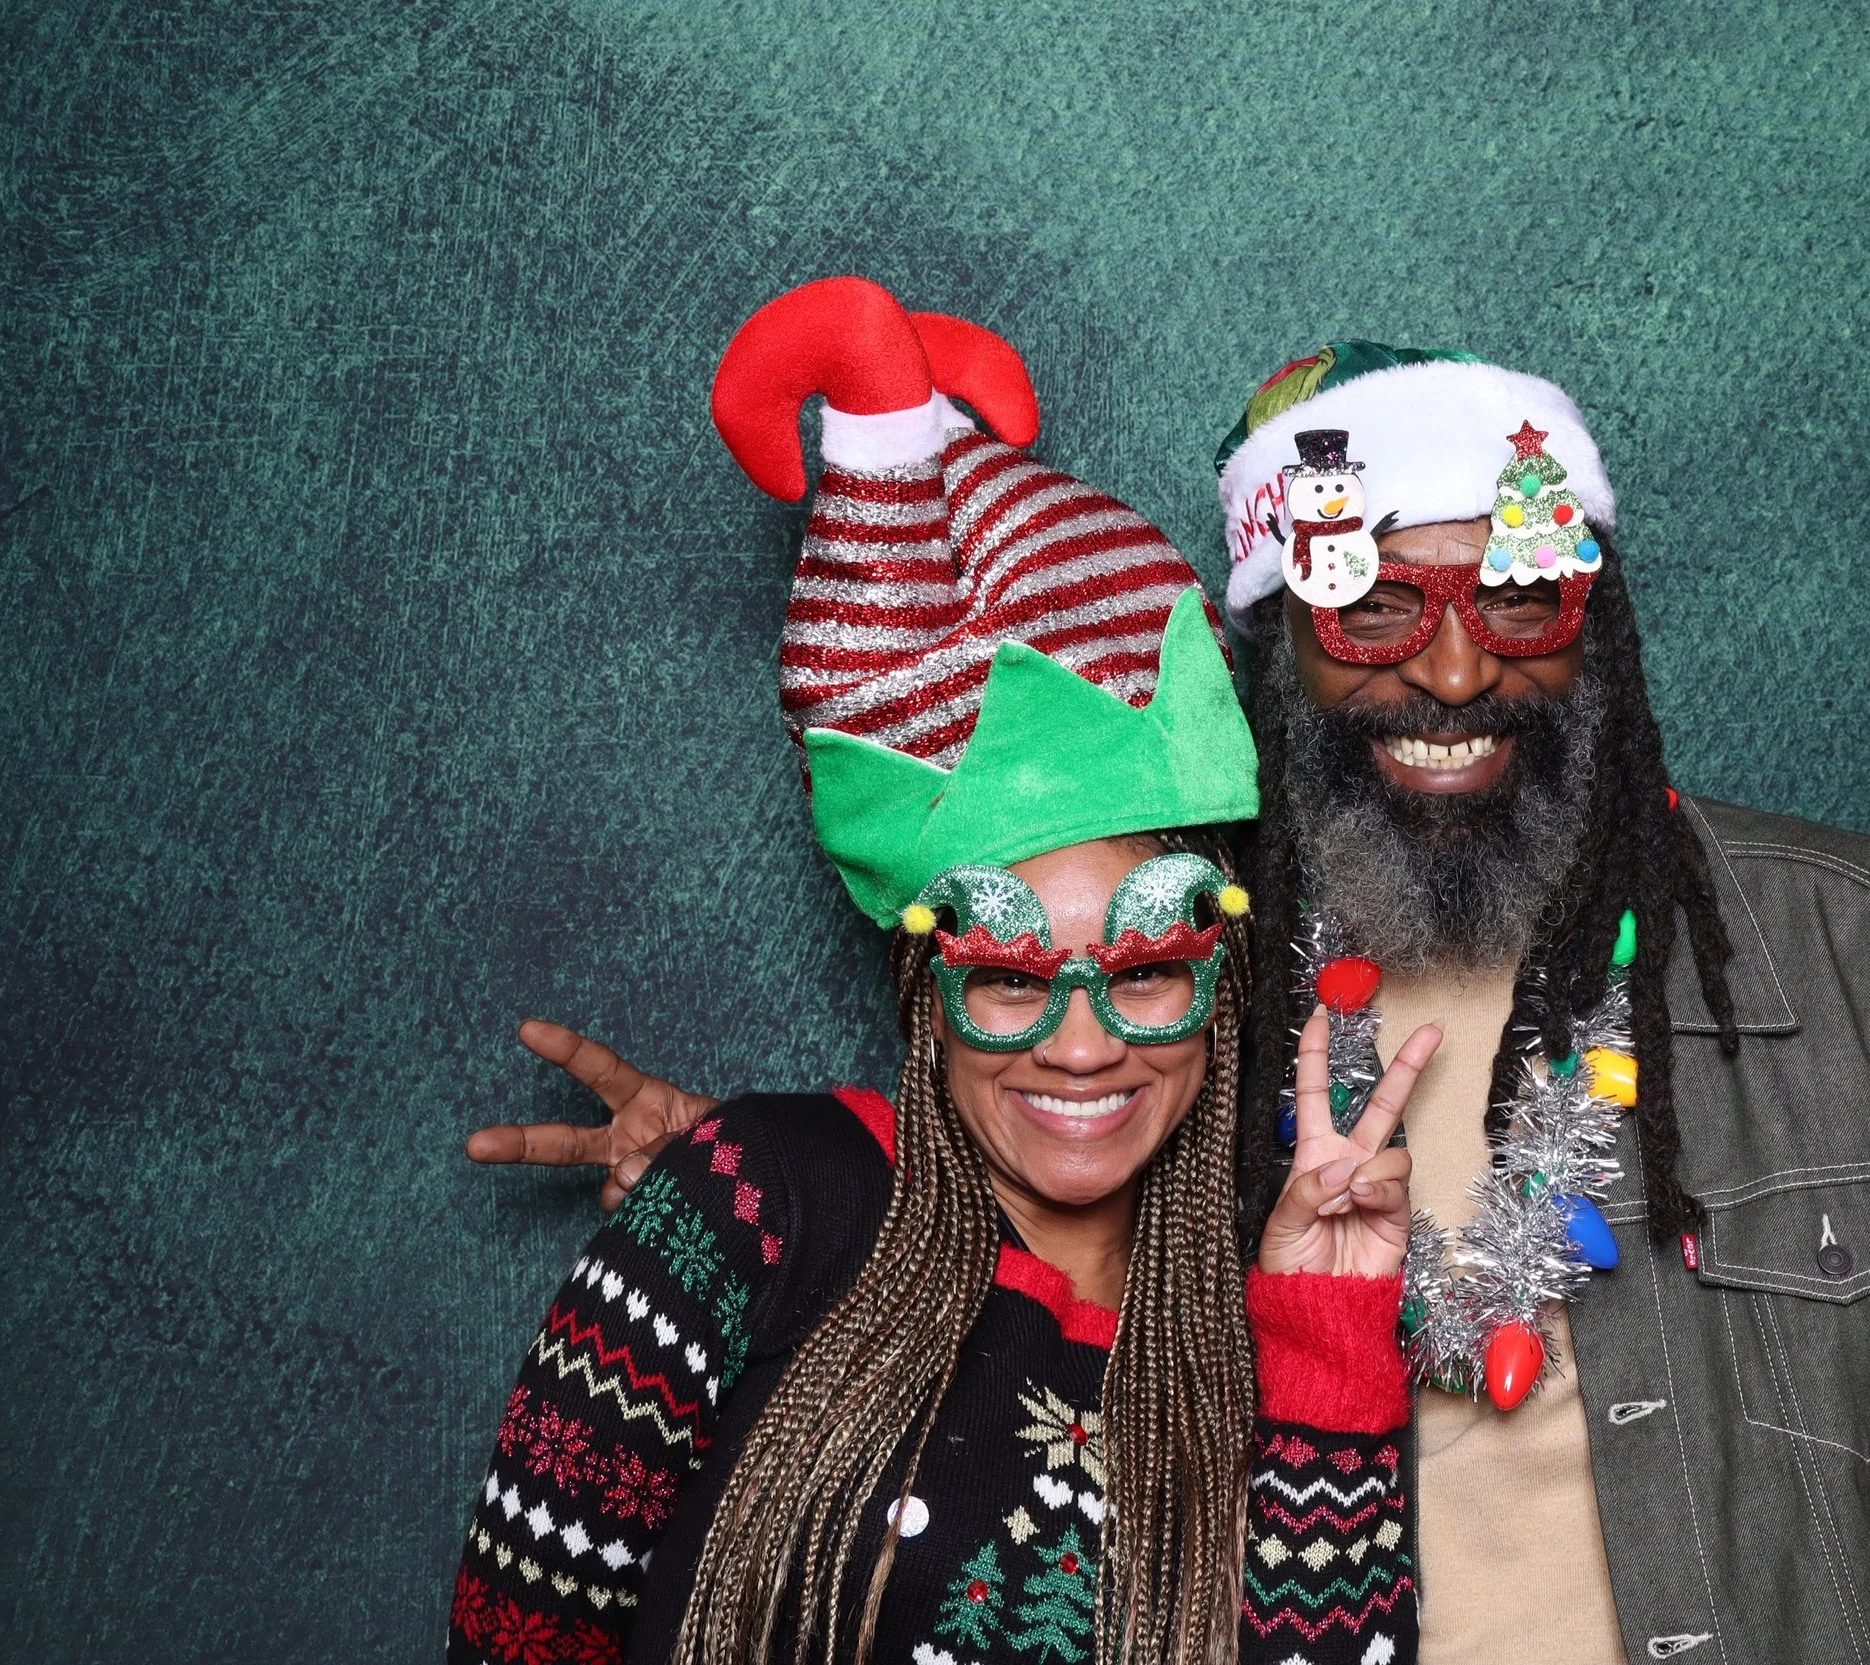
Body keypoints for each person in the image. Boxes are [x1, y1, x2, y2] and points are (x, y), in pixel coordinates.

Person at [475, 335, 1870, 1664]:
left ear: (1599, 619)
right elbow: (1017, 1191)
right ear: (1265, 646)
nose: (1456, 668)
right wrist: (766, 1193)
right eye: (1366, 605)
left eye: (1520, 589)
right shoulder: (1184, 967)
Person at [449, 281, 1448, 1665]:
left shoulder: (1233, 1328)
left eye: (1147, 966)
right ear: (929, 994)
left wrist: (1329, 1341)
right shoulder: (753, 1201)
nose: (1082, 1043)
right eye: (1008, 972)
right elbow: (516, 1633)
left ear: (1222, 979)